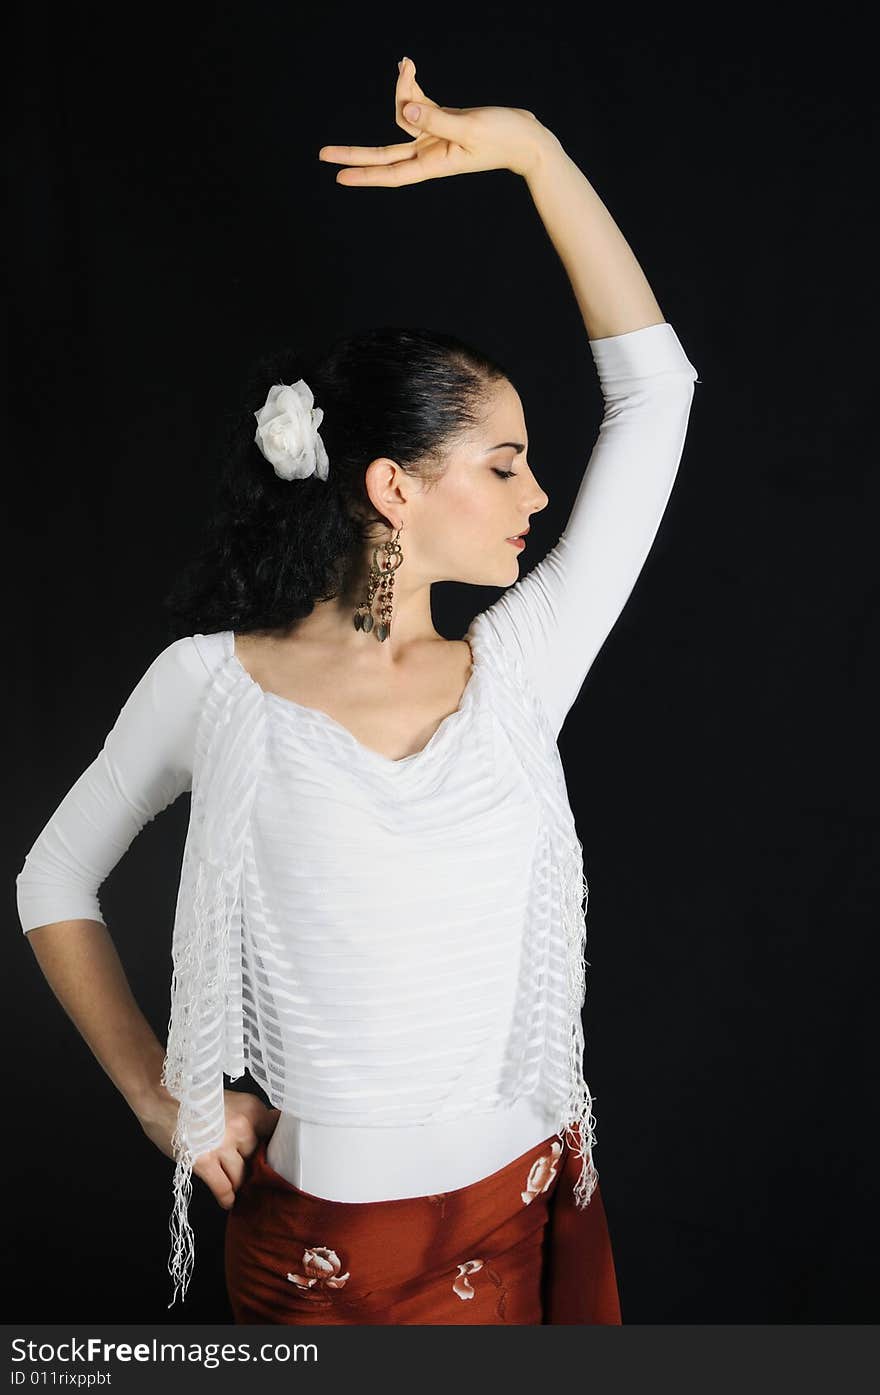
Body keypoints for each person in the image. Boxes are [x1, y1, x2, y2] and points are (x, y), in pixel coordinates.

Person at [15, 56, 700, 1325]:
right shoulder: (208, 687)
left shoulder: (519, 667)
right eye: (502, 466)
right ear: (393, 487)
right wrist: (156, 1093)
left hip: (526, 1210)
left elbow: (656, 396)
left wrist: (537, 151)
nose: (536, 497)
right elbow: (51, 879)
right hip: (321, 1259)